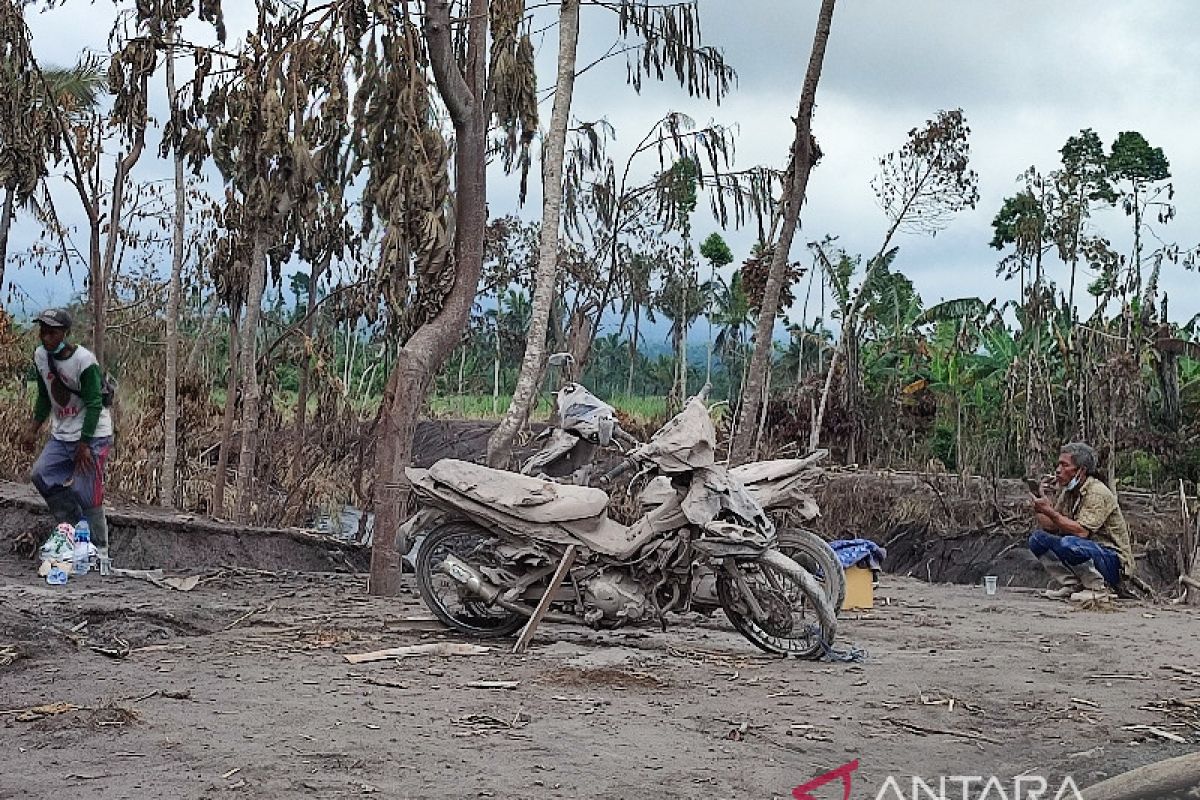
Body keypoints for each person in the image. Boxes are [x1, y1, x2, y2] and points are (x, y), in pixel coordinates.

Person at [18, 308, 113, 558]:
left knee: (86, 490)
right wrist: (33, 429)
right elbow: (44, 396)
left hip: (93, 433)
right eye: (42, 331)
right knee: (41, 474)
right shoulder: (40, 356)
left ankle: (99, 550)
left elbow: (94, 404)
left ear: (65, 333)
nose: (45, 336)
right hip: (62, 434)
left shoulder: (84, 361)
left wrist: (84, 444)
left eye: (52, 332)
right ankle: (74, 528)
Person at [1027, 442, 1134, 602]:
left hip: (1112, 560)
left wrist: (1050, 512)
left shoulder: (1097, 492)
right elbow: (1050, 526)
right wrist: (1040, 503)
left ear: (1081, 470)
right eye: (1058, 465)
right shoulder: (1069, 491)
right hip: (1086, 550)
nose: (1058, 470)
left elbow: (1082, 532)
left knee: (1070, 543)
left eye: (1064, 465)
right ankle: (1072, 584)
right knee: (1037, 540)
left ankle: (1097, 588)